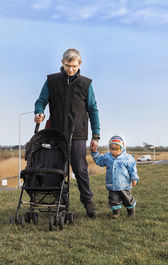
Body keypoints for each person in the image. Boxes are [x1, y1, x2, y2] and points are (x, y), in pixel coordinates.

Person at [34, 48, 100, 218]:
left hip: (78, 133)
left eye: (74, 66)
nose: (71, 69)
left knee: (80, 169)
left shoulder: (86, 84)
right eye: (68, 65)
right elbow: (41, 101)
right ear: (62, 63)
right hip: (56, 133)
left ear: (80, 64)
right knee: (57, 169)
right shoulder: (52, 81)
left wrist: (96, 135)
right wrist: (39, 112)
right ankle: (60, 203)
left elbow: (93, 110)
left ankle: (88, 202)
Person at [91, 135, 139, 219]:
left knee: (127, 199)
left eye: (117, 150)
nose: (114, 152)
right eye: (112, 149)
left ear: (122, 148)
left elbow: (132, 169)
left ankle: (131, 211)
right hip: (112, 184)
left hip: (124, 185)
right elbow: (100, 161)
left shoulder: (127, 158)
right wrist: (95, 153)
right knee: (113, 199)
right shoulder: (107, 157)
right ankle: (116, 213)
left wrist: (134, 178)